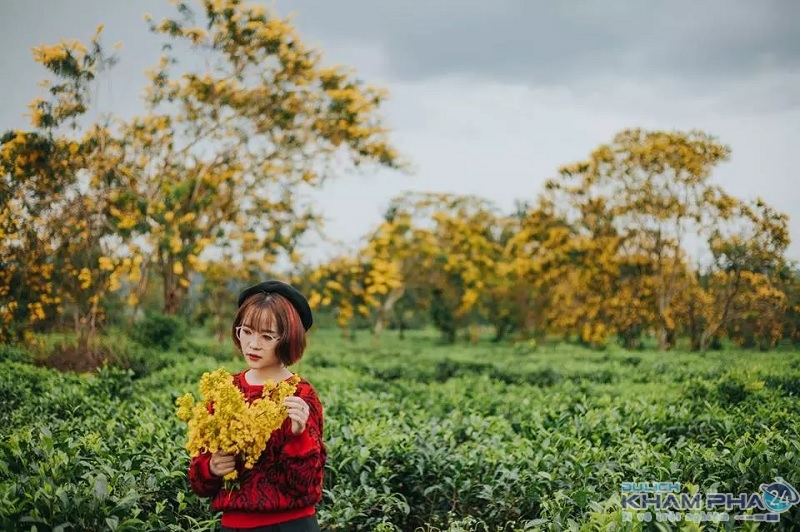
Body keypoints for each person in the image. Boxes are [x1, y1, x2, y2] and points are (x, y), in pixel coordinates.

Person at [188, 280, 326, 532]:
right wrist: (211, 468)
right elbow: (199, 484)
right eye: (247, 331)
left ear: (288, 339)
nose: (253, 344)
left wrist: (299, 436)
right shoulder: (225, 390)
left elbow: (308, 485)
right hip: (235, 526)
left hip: (292, 525)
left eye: (267, 336)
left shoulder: (301, 395)